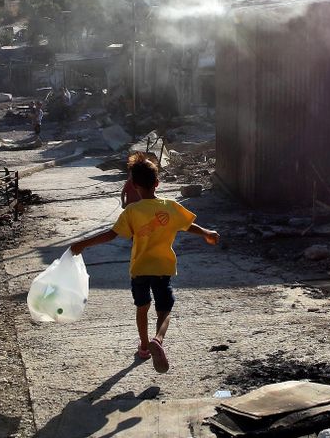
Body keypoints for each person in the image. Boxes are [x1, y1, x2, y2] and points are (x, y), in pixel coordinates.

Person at [70, 153, 219, 373]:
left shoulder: (132, 211)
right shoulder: (170, 206)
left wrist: (83, 244)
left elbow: (111, 234)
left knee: (142, 308)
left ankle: (143, 347)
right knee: (164, 310)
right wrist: (206, 232)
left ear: (134, 186)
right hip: (162, 269)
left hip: (139, 269)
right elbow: (187, 226)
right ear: (157, 183)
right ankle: (157, 340)